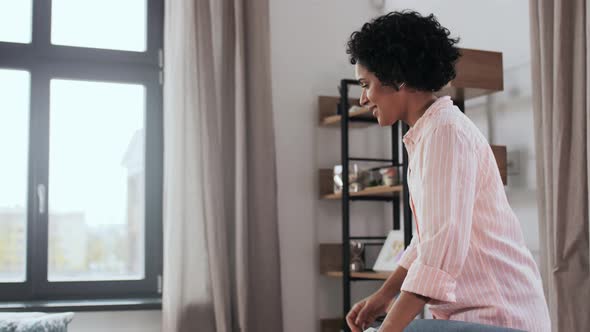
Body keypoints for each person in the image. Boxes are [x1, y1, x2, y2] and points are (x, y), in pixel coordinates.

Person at [344, 11, 550, 332]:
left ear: (397, 79)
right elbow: (427, 242)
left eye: (366, 84)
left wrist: (388, 329)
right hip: (475, 315)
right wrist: (385, 295)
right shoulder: (429, 134)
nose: (363, 98)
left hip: (501, 317)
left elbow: (439, 250)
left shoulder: (445, 133)